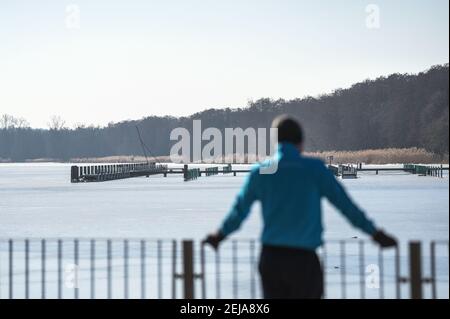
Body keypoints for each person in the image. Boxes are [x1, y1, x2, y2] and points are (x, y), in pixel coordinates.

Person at [203, 115, 397, 299]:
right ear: (301, 142)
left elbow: (239, 211)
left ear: (276, 142)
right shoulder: (314, 170)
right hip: (304, 261)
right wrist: (375, 234)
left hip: (271, 259)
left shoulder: (260, 172)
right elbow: (346, 207)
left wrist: (219, 235)